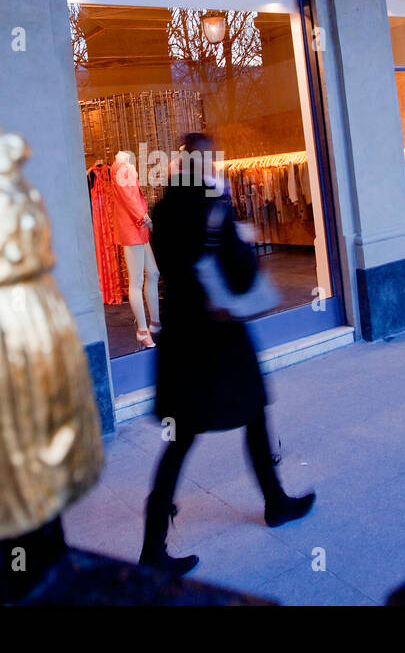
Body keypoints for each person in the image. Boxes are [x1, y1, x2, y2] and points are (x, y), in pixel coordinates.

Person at [139, 133, 315, 576]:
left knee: (181, 439)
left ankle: (153, 545)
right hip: (218, 337)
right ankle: (275, 503)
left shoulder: (163, 208)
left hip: (182, 337)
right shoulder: (214, 206)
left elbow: (169, 264)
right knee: (252, 411)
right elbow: (238, 268)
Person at [111, 150, 160, 348]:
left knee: (153, 273)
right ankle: (142, 330)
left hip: (137, 228)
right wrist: (144, 217)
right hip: (132, 228)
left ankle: (155, 323)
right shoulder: (122, 168)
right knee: (137, 280)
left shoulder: (124, 167)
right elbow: (129, 198)